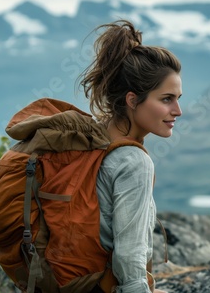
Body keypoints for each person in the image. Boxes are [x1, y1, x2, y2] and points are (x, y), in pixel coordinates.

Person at [79, 20, 182, 293]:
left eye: (178, 98)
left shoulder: (92, 136)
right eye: (166, 99)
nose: (178, 110)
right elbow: (129, 255)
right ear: (133, 100)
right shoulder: (133, 161)